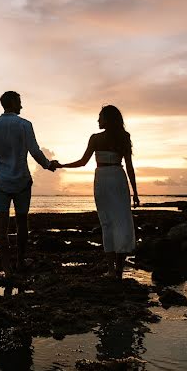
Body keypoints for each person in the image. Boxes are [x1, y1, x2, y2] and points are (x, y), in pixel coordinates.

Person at [51, 105, 139, 278]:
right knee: (122, 222)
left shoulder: (96, 138)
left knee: (107, 224)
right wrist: (135, 192)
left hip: (103, 180)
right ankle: (118, 271)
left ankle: (112, 270)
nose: (98, 120)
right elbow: (129, 167)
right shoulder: (123, 136)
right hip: (118, 178)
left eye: (100, 117)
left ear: (108, 119)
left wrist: (61, 165)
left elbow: (83, 162)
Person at [0, 91, 56, 276]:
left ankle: (7, 267)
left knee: (2, 223)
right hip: (22, 180)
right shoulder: (24, 124)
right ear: (13, 103)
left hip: (0, 182)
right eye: (20, 102)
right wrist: (47, 165)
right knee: (22, 222)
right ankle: (21, 261)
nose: (21, 106)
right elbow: (34, 150)